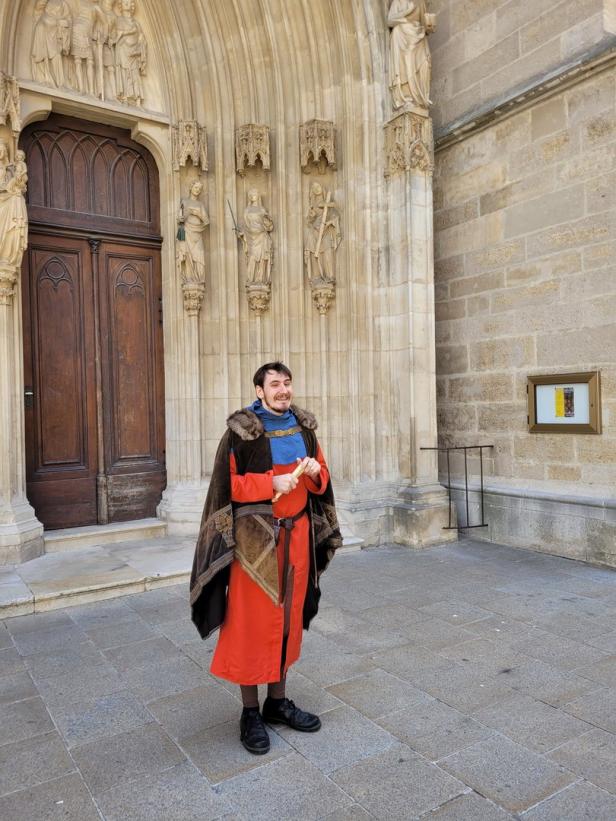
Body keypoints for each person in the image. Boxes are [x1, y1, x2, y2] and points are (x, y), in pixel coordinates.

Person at [190, 362, 342, 755]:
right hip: (255, 544)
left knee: (288, 619)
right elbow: (228, 485)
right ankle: (250, 712)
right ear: (259, 390)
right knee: (250, 624)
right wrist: (269, 483)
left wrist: (311, 472)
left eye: (287, 383)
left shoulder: (305, 429)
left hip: (297, 537)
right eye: (274, 384)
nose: (283, 390)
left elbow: (323, 477)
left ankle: (277, 702)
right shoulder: (241, 432)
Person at [387, 0, 433, 110]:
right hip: (402, 37)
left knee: (424, 64)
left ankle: (420, 99)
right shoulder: (398, 2)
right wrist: (407, 12)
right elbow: (390, 21)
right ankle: (406, 97)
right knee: (405, 67)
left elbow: (424, 21)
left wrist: (430, 26)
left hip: (418, 37)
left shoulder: (420, 2)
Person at [176, 179, 209, 285]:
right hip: (187, 231)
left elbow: (206, 221)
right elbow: (180, 218)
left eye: (199, 189)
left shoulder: (200, 205)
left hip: (197, 233)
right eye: (196, 188)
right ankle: (190, 279)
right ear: (191, 187)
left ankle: (198, 280)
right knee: (188, 255)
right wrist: (182, 217)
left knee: (199, 257)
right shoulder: (184, 202)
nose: (197, 190)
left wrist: (197, 214)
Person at [238, 189, 273, 285]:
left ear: (258, 196)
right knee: (252, 257)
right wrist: (242, 232)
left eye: (255, 193)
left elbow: (269, 226)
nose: (253, 195)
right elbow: (246, 225)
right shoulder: (247, 210)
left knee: (262, 258)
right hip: (251, 237)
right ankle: (251, 279)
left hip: (261, 235)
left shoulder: (262, 210)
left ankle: (260, 279)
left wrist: (268, 221)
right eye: (251, 194)